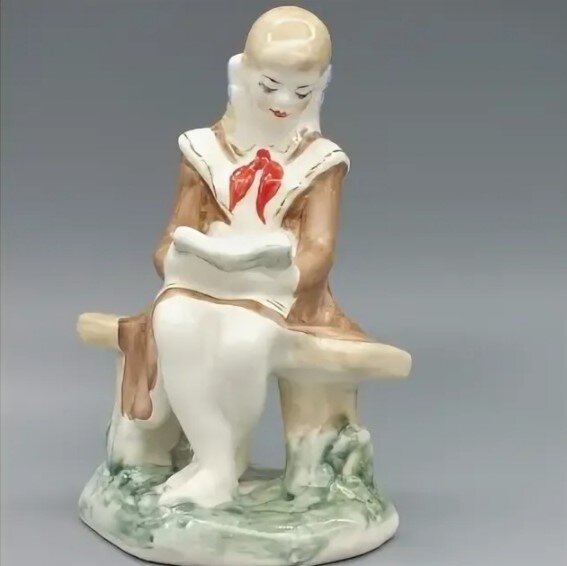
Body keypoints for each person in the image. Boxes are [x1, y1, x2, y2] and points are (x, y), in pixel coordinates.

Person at [115, 6, 374, 508]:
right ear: (243, 73)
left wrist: (277, 269)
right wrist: (180, 257)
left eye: (301, 92)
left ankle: (217, 467)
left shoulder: (322, 162)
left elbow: (319, 251)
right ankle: (216, 465)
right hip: (198, 282)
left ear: (321, 87)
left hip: (275, 294)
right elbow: (172, 235)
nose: (283, 102)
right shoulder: (202, 150)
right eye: (270, 86)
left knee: (242, 342)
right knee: (173, 322)